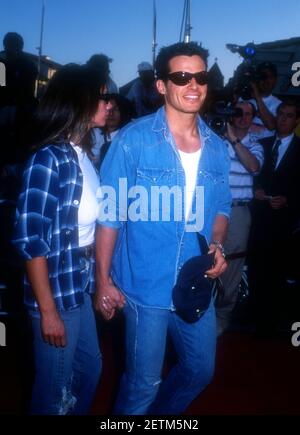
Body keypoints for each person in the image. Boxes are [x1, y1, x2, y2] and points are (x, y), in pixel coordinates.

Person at [95, 41, 231, 415]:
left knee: (200, 370)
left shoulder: (217, 148)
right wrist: (102, 280)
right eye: (181, 76)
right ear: (161, 85)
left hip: (194, 280)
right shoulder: (131, 141)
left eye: (200, 76)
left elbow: (220, 208)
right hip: (145, 285)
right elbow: (110, 216)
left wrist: (217, 244)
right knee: (142, 385)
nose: (193, 85)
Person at [12, 64, 112, 414]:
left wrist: (102, 282)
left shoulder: (84, 157)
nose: (109, 104)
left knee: (89, 370)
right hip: (54, 291)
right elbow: (30, 241)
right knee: (53, 391)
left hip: (78, 285)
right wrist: (47, 311)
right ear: (79, 101)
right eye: (101, 97)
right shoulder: (48, 159)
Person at [248, 100, 300, 338]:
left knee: (276, 275)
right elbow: (252, 175)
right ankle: (254, 320)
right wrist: (256, 190)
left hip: (284, 225)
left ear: (296, 121)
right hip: (257, 220)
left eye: (289, 116)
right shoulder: (263, 144)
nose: (283, 119)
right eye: (281, 114)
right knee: (256, 271)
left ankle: (270, 324)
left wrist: (288, 200)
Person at [216, 101, 264, 335]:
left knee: (232, 266)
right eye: (239, 113)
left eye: (248, 114)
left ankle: (222, 319)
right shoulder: (217, 142)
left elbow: (254, 166)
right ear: (231, 117)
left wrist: (234, 140)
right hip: (214, 210)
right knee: (208, 259)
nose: (243, 118)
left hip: (238, 212)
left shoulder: (255, 145)